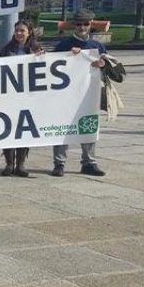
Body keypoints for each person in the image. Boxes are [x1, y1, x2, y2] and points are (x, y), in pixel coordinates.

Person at [52, 13, 107, 177]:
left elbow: (109, 68)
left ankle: (89, 162)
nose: (82, 27)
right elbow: (52, 66)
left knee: (88, 125)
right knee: (62, 127)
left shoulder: (97, 46)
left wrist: (102, 64)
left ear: (90, 24)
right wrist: (70, 56)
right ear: (73, 26)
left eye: (85, 24)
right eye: (78, 24)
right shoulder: (64, 45)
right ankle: (59, 163)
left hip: (88, 93)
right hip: (66, 94)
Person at [0, 20, 43, 177]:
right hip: (9, 96)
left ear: (29, 32)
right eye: (17, 30)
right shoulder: (6, 50)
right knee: (8, 128)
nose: (19, 33)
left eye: (22, 30)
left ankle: (21, 164)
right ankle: (9, 164)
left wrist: (40, 58)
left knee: (25, 129)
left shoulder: (36, 50)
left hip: (28, 97)